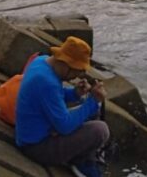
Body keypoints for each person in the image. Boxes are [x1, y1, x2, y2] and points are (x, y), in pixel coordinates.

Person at [15, 36, 110, 177]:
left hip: (31, 133)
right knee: (100, 130)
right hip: (36, 147)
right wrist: (93, 100)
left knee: (90, 112)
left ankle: (84, 158)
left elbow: (51, 97)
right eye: (77, 71)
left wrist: (74, 93)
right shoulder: (47, 82)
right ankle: (80, 162)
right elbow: (64, 126)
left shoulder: (41, 62)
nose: (77, 76)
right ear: (65, 64)